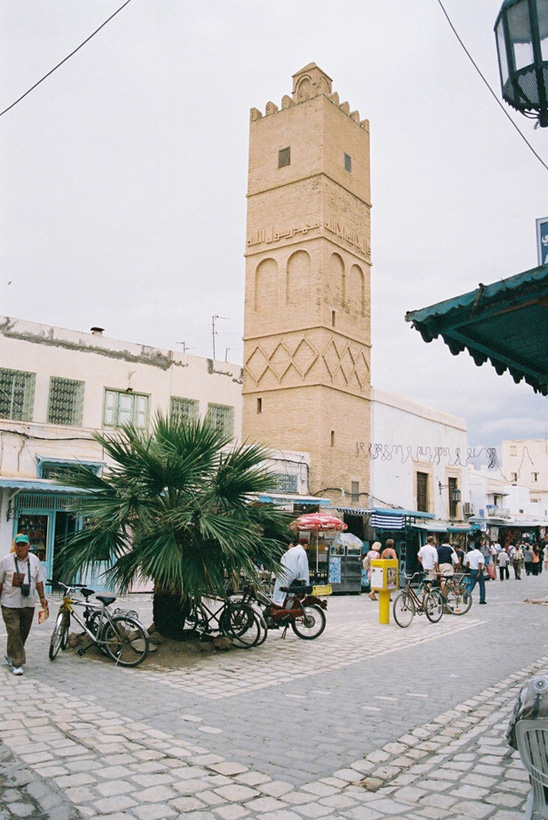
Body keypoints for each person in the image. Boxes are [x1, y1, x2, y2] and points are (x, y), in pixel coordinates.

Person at [0, 534, 47, 676]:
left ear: (28, 546)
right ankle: (17, 663)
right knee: (13, 631)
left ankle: (11, 654)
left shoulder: (35, 561)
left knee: (22, 632)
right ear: (14, 546)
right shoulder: (5, 561)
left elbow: (39, 581)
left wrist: (42, 597)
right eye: (18, 545)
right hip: (9, 602)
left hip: (28, 602)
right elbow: (0, 582)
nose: (20, 548)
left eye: (23, 545)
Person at [271, 539, 310, 606]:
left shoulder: (290, 550)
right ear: (305, 545)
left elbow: (282, 559)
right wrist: (306, 583)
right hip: (291, 576)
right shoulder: (302, 552)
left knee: (280, 596)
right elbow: (303, 568)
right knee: (290, 595)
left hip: (283, 573)